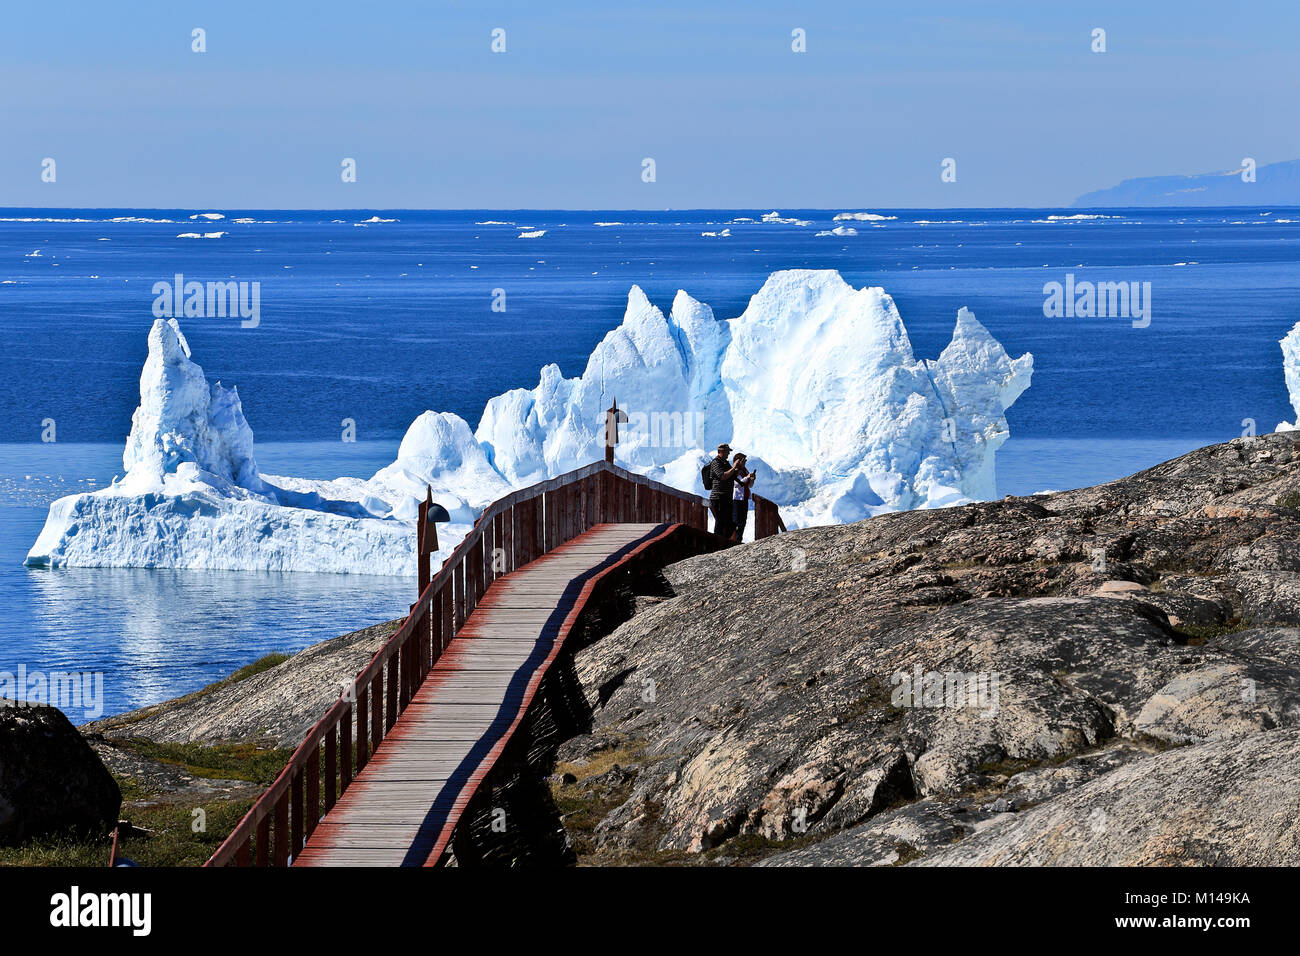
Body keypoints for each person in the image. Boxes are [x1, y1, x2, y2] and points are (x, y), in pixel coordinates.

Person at [706, 443, 743, 538]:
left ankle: (723, 541)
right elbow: (723, 476)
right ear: (721, 452)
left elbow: (731, 476)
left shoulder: (725, 463)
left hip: (726, 496)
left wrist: (738, 468)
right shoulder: (716, 462)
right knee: (720, 522)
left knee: (730, 522)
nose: (728, 454)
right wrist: (734, 467)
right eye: (727, 452)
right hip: (718, 497)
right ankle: (717, 543)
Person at [731, 452, 756, 541]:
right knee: (736, 520)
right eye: (743, 461)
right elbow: (736, 484)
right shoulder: (735, 471)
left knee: (743, 520)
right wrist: (747, 477)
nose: (745, 462)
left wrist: (752, 479)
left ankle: (739, 539)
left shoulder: (745, 470)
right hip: (737, 498)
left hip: (744, 498)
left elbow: (749, 485)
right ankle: (733, 538)